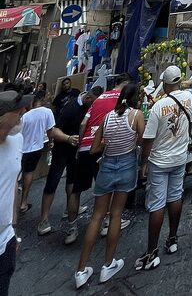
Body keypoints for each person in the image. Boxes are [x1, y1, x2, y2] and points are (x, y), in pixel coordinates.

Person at [75, 83, 145, 289]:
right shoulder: (136, 115)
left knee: (97, 216)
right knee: (116, 214)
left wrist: (109, 142)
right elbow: (141, 141)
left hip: (107, 165)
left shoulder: (108, 118)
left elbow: (94, 148)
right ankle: (108, 264)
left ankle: (81, 269)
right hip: (126, 165)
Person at [135, 67, 192, 271]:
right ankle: (172, 239)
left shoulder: (158, 107)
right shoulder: (190, 99)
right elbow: (191, 123)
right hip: (179, 157)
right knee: (175, 197)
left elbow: (148, 140)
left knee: (157, 205)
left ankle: (152, 252)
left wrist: (143, 163)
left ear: (166, 83)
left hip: (159, 161)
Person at [37, 89, 98, 237]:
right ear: (87, 97)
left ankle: (69, 210)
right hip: (62, 149)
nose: (93, 105)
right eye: (92, 102)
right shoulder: (71, 108)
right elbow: (54, 131)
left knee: (72, 181)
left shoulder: (88, 107)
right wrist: (68, 138)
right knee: (53, 181)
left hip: (75, 150)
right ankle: (44, 219)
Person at [0, 91, 32, 296]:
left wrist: (12, 229)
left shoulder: (17, 140)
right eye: (18, 109)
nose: (24, 111)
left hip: (5, 241)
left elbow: (12, 182)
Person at [19, 94, 55, 214]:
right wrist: (51, 143)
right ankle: (23, 202)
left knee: (16, 177)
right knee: (28, 173)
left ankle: (14, 203)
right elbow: (51, 131)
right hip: (35, 148)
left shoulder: (25, 115)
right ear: (43, 99)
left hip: (20, 149)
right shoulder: (47, 112)